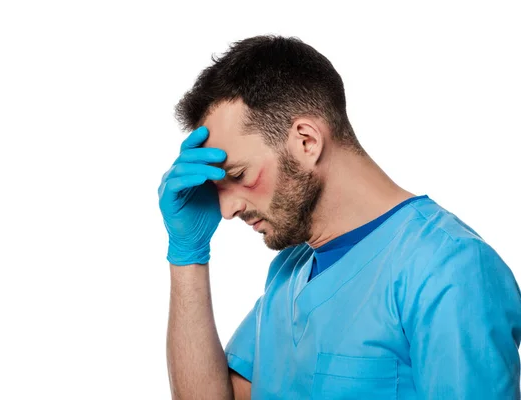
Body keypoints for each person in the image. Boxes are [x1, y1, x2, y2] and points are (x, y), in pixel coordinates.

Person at [157, 35, 521, 399]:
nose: (227, 209)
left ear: (307, 142)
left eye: (238, 175)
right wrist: (188, 253)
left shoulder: (449, 269)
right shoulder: (289, 274)